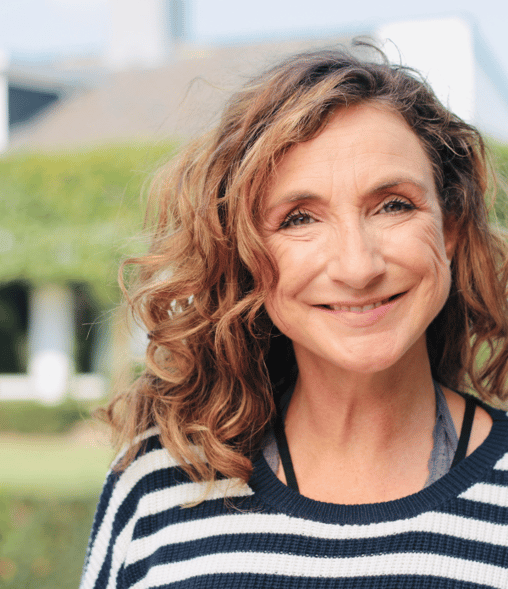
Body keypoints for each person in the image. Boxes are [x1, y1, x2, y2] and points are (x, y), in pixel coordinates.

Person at [80, 43, 508, 588]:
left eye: (394, 204)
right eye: (299, 218)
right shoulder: (157, 486)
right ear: (243, 254)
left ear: (448, 228)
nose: (358, 266)